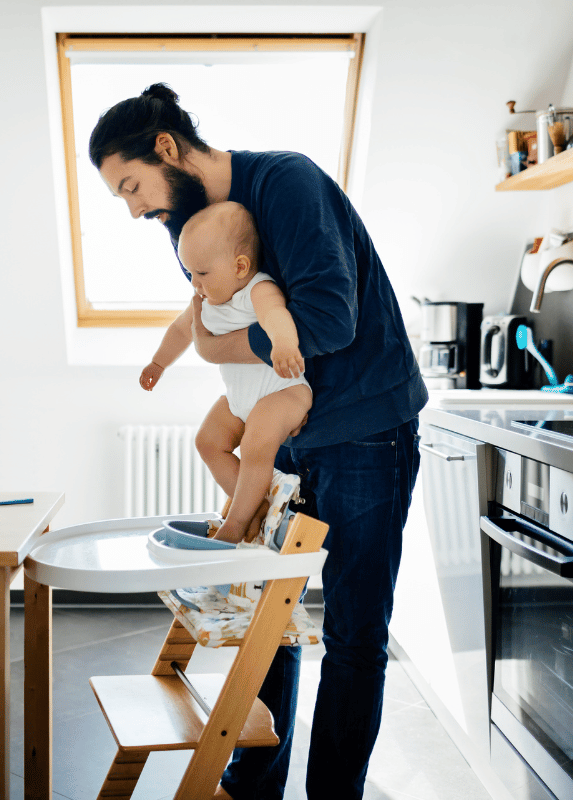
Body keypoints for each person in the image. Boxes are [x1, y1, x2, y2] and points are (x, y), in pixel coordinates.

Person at [90, 83, 427, 800]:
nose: (134, 209)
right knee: (268, 616)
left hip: (366, 428)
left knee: (355, 634)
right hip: (290, 428)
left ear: (167, 148)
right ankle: (252, 787)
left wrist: (215, 351)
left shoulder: (288, 184)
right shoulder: (190, 224)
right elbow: (209, 315)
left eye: (132, 187)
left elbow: (328, 323)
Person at [140, 201, 312, 543]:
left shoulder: (257, 289)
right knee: (207, 441)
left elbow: (275, 315)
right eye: (190, 273)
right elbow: (180, 331)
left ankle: (236, 522)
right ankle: (256, 506)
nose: (195, 283)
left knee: (254, 445)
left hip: (284, 392)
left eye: (202, 274)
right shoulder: (204, 303)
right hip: (240, 399)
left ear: (240, 266)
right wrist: (158, 363)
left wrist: (283, 343)